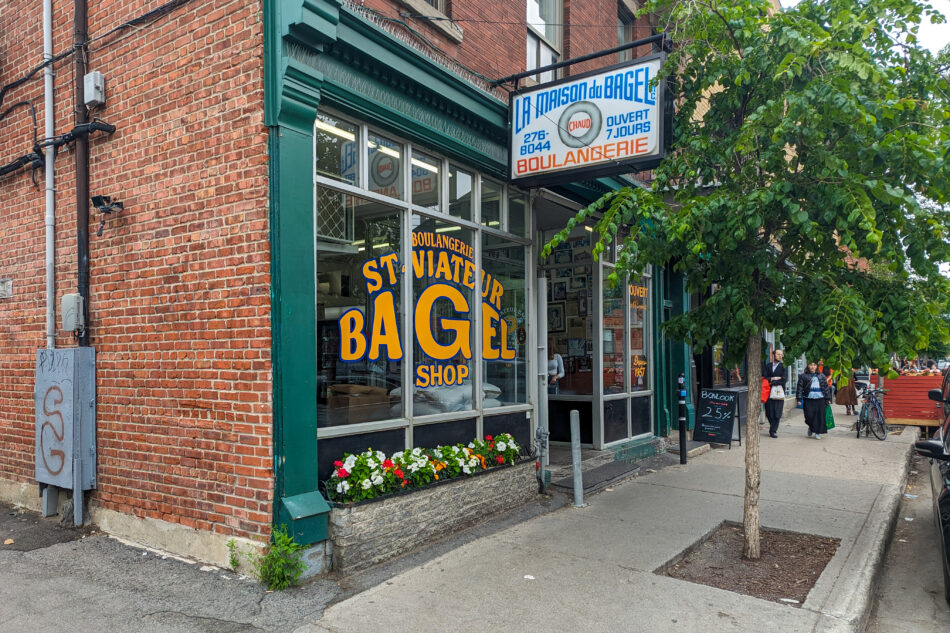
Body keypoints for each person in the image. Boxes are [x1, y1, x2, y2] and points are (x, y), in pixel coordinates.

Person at [797, 360, 833, 439]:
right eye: (811, 365)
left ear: (816, 366)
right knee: (808, 416)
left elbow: (826, 388)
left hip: (820, 399)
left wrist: (828, 399)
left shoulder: (821, 376)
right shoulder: (803, 376)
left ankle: (817, 432)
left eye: (814, 365)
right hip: (808, 399)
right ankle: (811, 426)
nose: (812, 367)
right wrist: (799, 399)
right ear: (808, 366)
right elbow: (799, 388)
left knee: (819, 417)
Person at [762, 349, 786, 438]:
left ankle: (773, 430)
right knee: (769, 412)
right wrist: (774, 378)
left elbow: (784, 379)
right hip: (768, 392)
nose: (780, 356)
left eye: (781, 354)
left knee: (777, 412)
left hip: (779, 392)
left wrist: (772, 381)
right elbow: (764, 377)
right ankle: (772, 426)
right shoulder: (768, 366)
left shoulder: (784, 366)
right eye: (778, 354)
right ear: (773, 355)